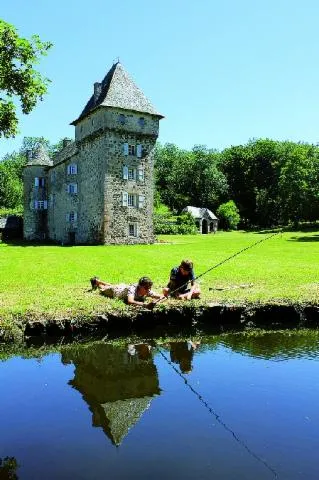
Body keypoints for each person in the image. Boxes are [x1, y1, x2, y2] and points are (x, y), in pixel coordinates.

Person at [90, 275, 162, 309]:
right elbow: (130, 301)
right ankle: (96, 282)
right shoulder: (133, 289)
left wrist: (156, 301)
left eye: (149, 288)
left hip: (123, 287)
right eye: (146, 288)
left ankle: (98, 281)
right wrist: (145, 305)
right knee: (102, 289)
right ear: (140, 286)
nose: (148, 290)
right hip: (115, 291)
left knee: (111, 285)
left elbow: (161, 296)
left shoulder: (147, 290)